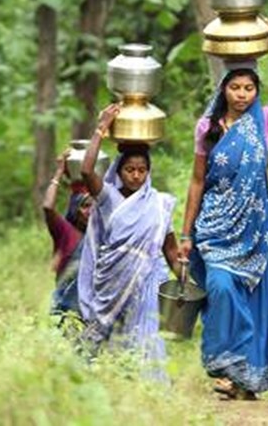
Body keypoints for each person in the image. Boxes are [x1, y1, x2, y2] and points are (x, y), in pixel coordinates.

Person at [178, 18, 268, 401]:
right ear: (224, 88)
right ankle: (224, 365)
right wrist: (186, 234)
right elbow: (197, 181)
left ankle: (244, 380)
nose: (242, 94)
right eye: (235, 87)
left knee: (249, 298)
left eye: (249, 87)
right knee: (220, 288)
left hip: (254, 233)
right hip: (215, 229)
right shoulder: (208, 128)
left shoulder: (264, 120)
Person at [76, 103, 182, 373]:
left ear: (148, 172)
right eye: (130, 170)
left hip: (148, 278)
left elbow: (170, 249)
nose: (136, 175)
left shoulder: (159, 204)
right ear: (119, 172)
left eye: (141, 170)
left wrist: (184, 278)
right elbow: (87, 171)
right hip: (112, 278)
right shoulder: (109, 197)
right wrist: (101, 128)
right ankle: (110, 381)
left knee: (146, 333)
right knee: (110, 336)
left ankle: (149, 388)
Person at [40, 149, 94, 326]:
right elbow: (48, 207)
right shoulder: (65, 231)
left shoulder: (101, 236)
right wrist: (59, 173)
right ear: (74, 208)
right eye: (85, 206)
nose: (90, 211)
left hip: (94, 314)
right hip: (67, 312)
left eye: (95, 206)